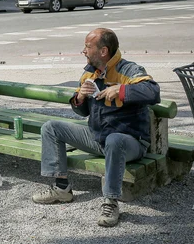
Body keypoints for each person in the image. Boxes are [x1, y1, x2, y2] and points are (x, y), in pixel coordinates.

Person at [31, 28, 160, 227]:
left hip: (130, 141)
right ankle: (61, 188)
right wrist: (80, 97)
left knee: (114, 139)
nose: (84, 50)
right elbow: (82, 112)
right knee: (51, 127)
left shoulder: (128, 70)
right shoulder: (90, 72)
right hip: (97, 136)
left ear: (103, 51)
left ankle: (110, 202)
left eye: (88, 46)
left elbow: (153, 92)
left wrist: (120, 90)